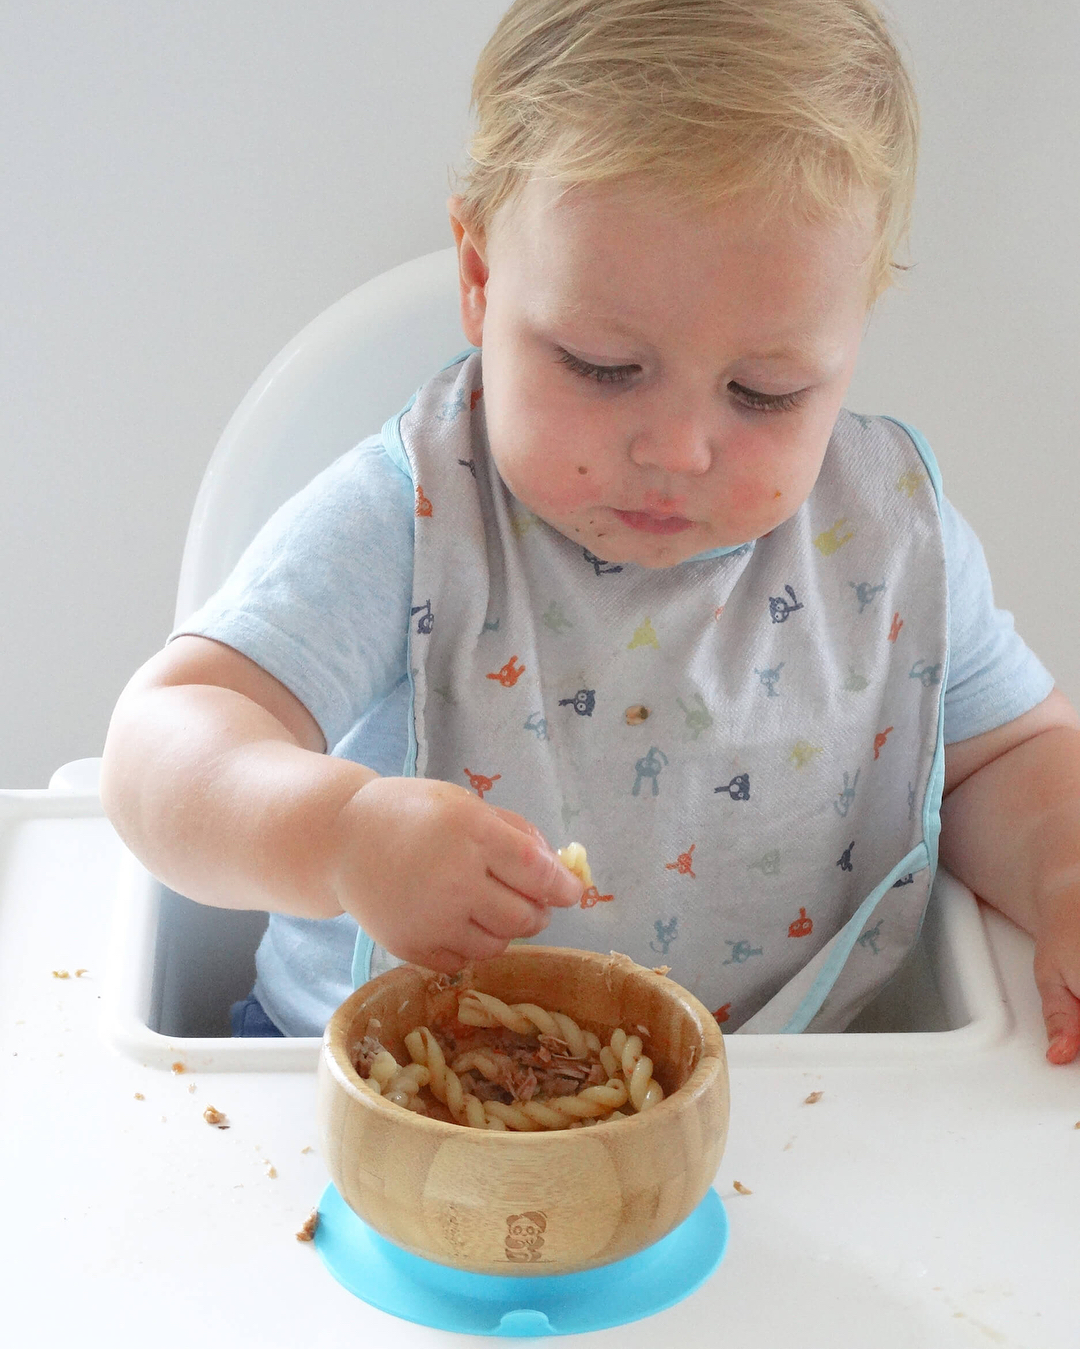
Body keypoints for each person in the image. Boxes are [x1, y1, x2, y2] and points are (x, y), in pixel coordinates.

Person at [100, 0, 1080, 1059]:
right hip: (378, 1094)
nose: (677, 448)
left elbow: (1002, 761)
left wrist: (1064, 871)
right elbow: (164, 745)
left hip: (778, 1095)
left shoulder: (884, 540)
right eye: (601, 368)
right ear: (479, 279)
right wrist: (339, 837)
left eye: (766, 389)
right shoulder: (414, 520)